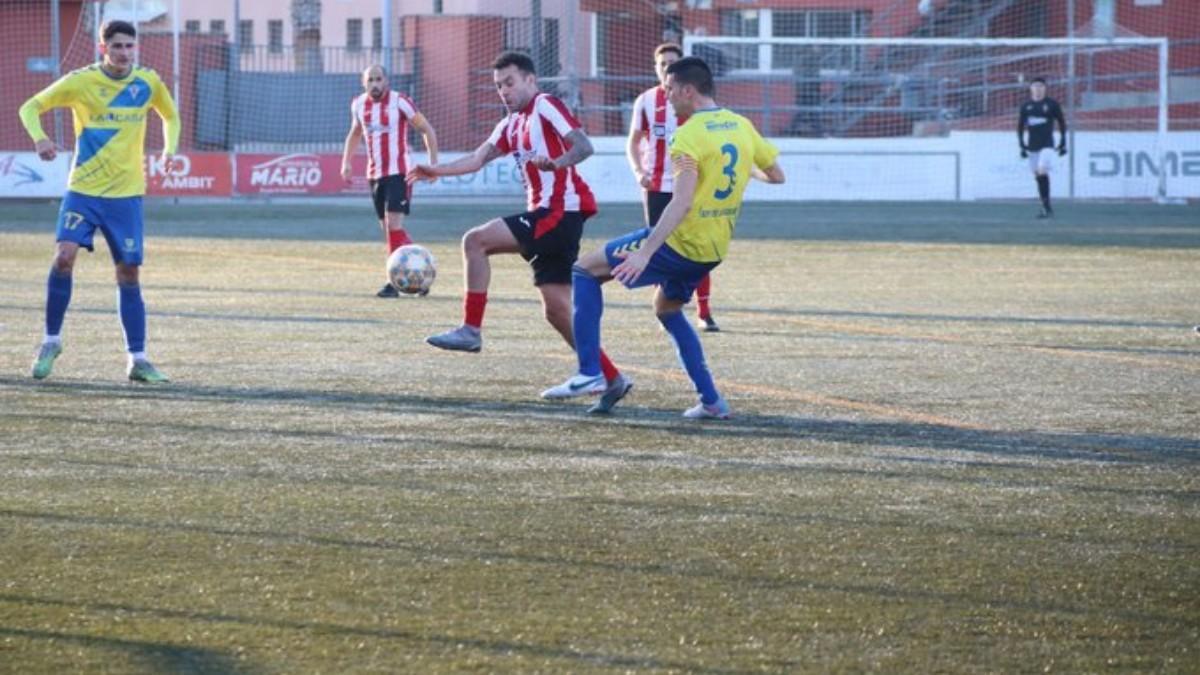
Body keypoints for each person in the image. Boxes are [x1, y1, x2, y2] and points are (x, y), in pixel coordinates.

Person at [544, 56, 785, 419]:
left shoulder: (687, 136)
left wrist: (645, 252)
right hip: (713, 249)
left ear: (688, 91)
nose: (667, 96)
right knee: (667, 309)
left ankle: (590, 372)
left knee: (583, 270)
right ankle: (712, 401)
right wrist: (739, 173)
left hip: (681, 243)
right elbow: (776, 175)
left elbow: (682, 200)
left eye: (670, 90)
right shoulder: (741, 125)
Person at [408, 51, 631, 406]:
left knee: (475, 241)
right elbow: (477, 159)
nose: (504, 91)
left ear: (530, 80)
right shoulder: (510, 123)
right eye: (498, 86)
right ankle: (611, 377)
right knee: (557, 309)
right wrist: (437, 170)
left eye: (510, 83)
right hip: (550, 218)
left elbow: (583, 146)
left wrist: (556, 162)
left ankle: (471, 329)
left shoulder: (545, 104)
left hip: (557, 212)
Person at [18, 20, 180, 383]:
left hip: (126, 196)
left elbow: (170, 114)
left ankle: (137, 359)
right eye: (118, 46)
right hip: (84, 191)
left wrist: (170, 149)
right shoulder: (81, 81)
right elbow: (29, 107)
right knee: (63, 256)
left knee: (129, 271)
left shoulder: (147, 81)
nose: (125, 53)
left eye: (130, 46)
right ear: (102, 47)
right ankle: (51, 340)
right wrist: (40, 138)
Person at [627, 43, 720, 333]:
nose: (667, 67)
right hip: (656, 186)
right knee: (659, 249)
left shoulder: (695, 103)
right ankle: (666, 309)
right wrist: (639, 171)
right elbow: (633, 141)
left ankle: (704, 311)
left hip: (691, 186)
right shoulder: (645, 101)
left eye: (672, 62)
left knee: (697, 248)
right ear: (655, 67)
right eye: (662, 63)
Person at [341, 64, 439, 297]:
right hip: (374, 175)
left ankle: (393, 284)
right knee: (388, 229)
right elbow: (355, 132)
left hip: (399, 173)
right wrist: (346, 161)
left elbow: (427, 129)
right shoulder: (358, 104)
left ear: (386, 80)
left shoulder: (400, 102)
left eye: (378, 79)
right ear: (363, 82)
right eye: (370, 80)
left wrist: (434, 165)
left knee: (393, 226)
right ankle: (420, 273)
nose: (375, 84)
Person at [1017, 77, 1067, 219]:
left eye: (1041, 86)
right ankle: (1046, 207)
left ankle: (1046, 207)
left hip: (1047, 145)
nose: (1038, 89)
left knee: (1042, 170)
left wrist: (1063, 142)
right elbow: (1020, 126)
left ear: (1045, 88)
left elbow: (1062, 122)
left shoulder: (1051, 104)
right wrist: (1021, 145)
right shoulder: (1026, 106)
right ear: (1031, 88)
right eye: (1035, 86)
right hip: (1033, 145)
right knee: (1037, 175)